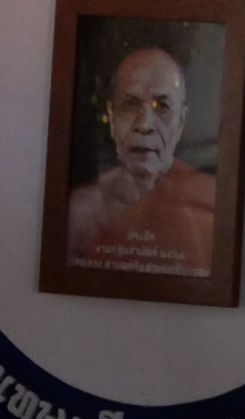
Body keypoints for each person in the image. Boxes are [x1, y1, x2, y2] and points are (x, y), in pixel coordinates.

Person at [66, 45, 215, 276]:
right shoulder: (80, 214)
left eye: (162, 106)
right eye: (130, 104)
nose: (144, 125)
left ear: (181, 123)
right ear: (112, 118)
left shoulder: (208, 208)